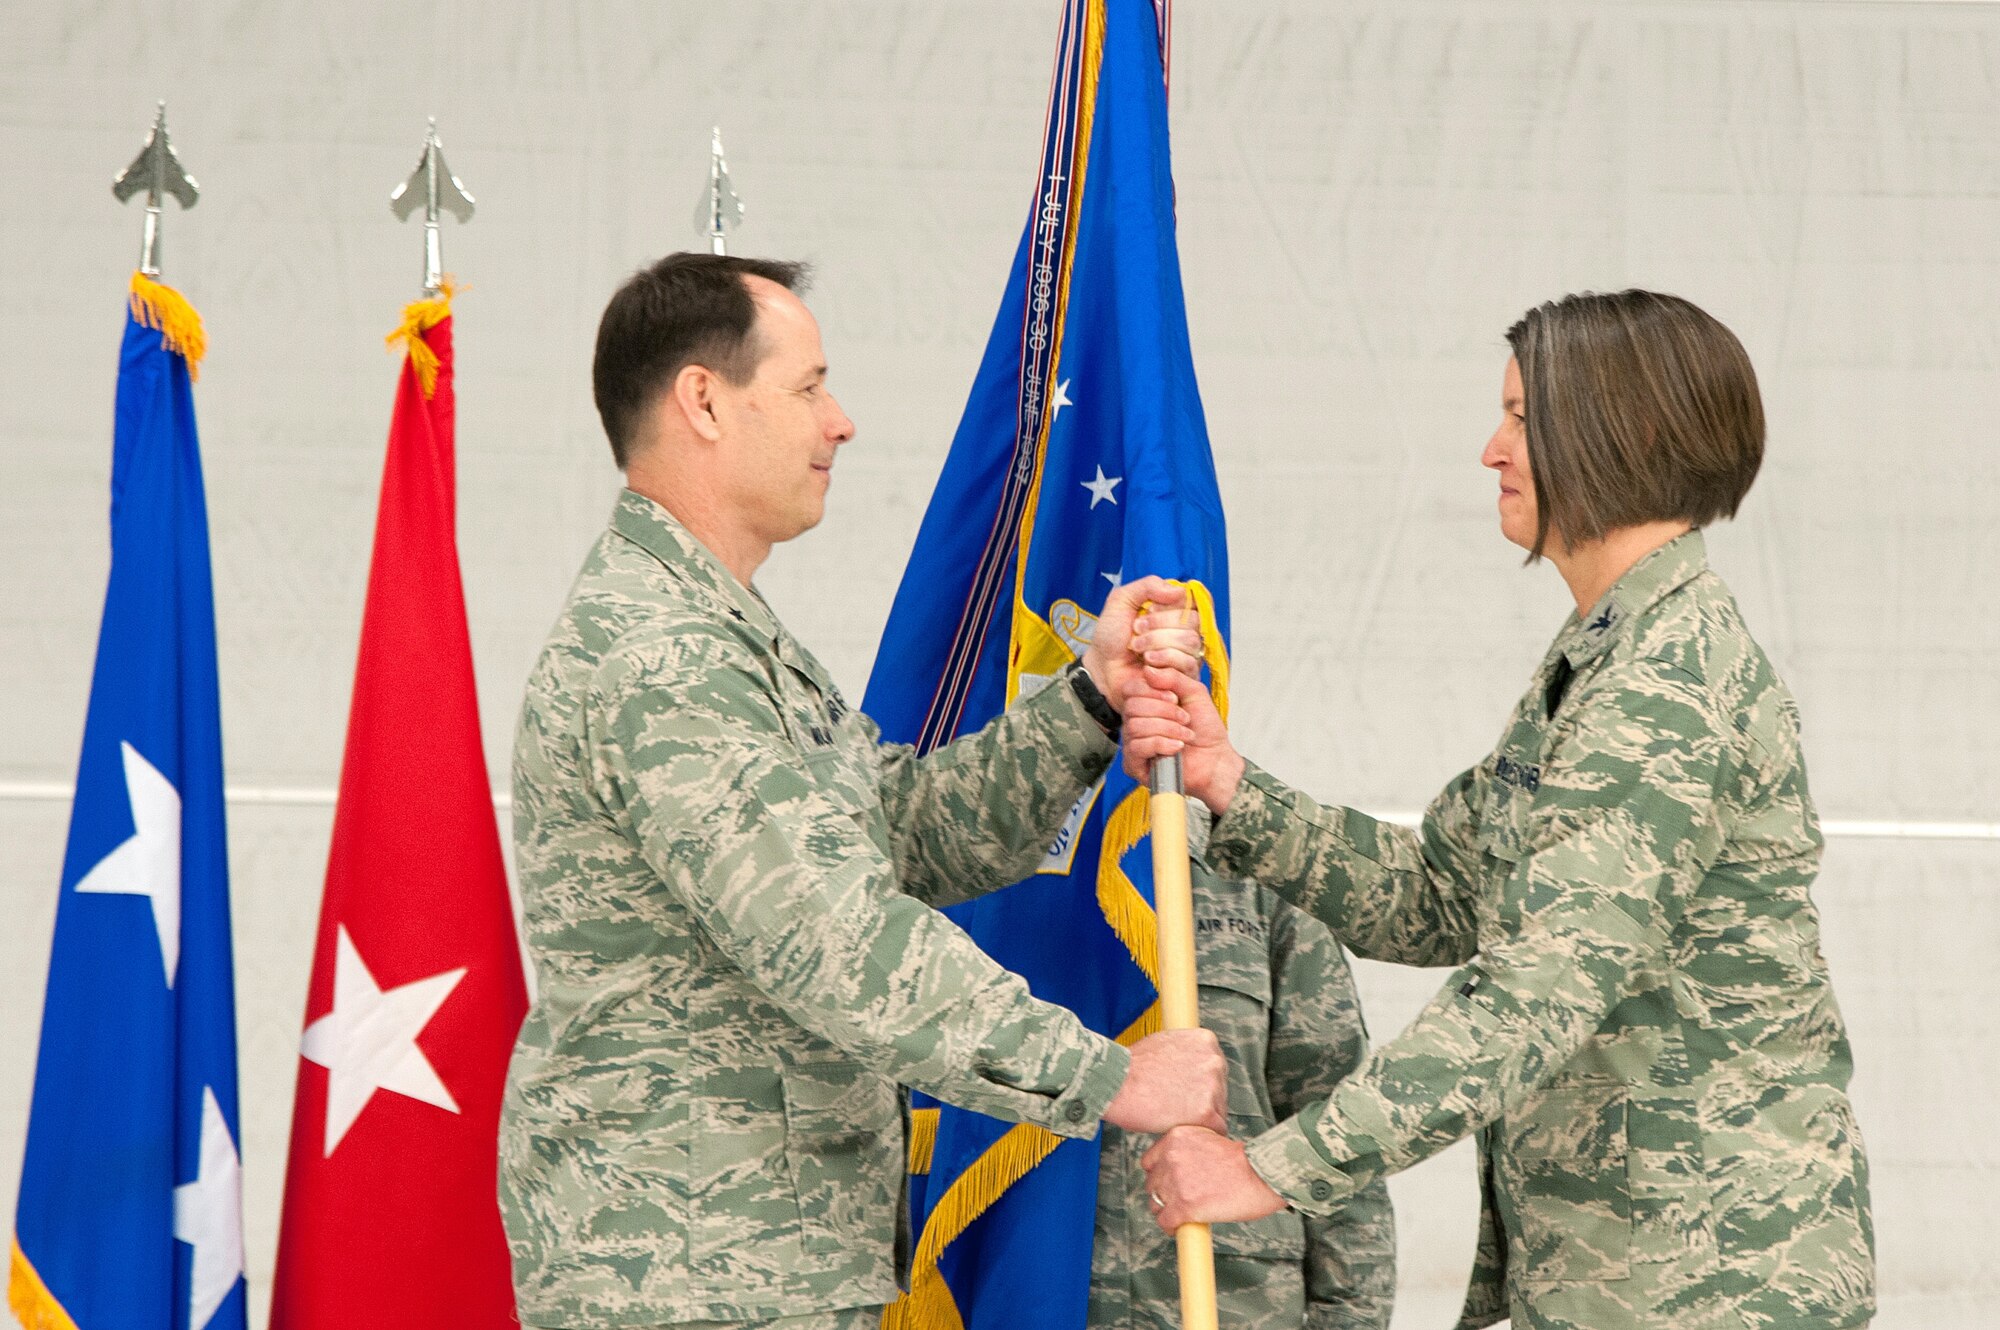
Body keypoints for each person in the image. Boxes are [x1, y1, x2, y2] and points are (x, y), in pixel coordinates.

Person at [498, 252, 1227, 1330]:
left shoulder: (720, 634)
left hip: (763, 1262)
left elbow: (900, 831)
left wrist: (1086, 702)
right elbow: (835, 939)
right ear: (703, 400)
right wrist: (1106, 1077)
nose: (838, 423)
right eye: (806, 388)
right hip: (686, 1269)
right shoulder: (659, 657)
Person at [1124, 291, 1876, 1330]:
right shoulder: (1602, 658)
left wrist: (1272, 1168)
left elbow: (1535, 994)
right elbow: (1437, 894)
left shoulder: (1662, 683)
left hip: (1703, 1280)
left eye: (1522, 416)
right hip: (1625, 1270)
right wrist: (1226, 781)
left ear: (1626, 428)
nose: (1491, 449)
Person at [1088, 810, 1395, 1330]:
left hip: (1231, 1304)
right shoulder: (980, 872)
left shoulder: (1258, 875)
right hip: (1015, 1293)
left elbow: (1338, 1126)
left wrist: (1349, 1318)